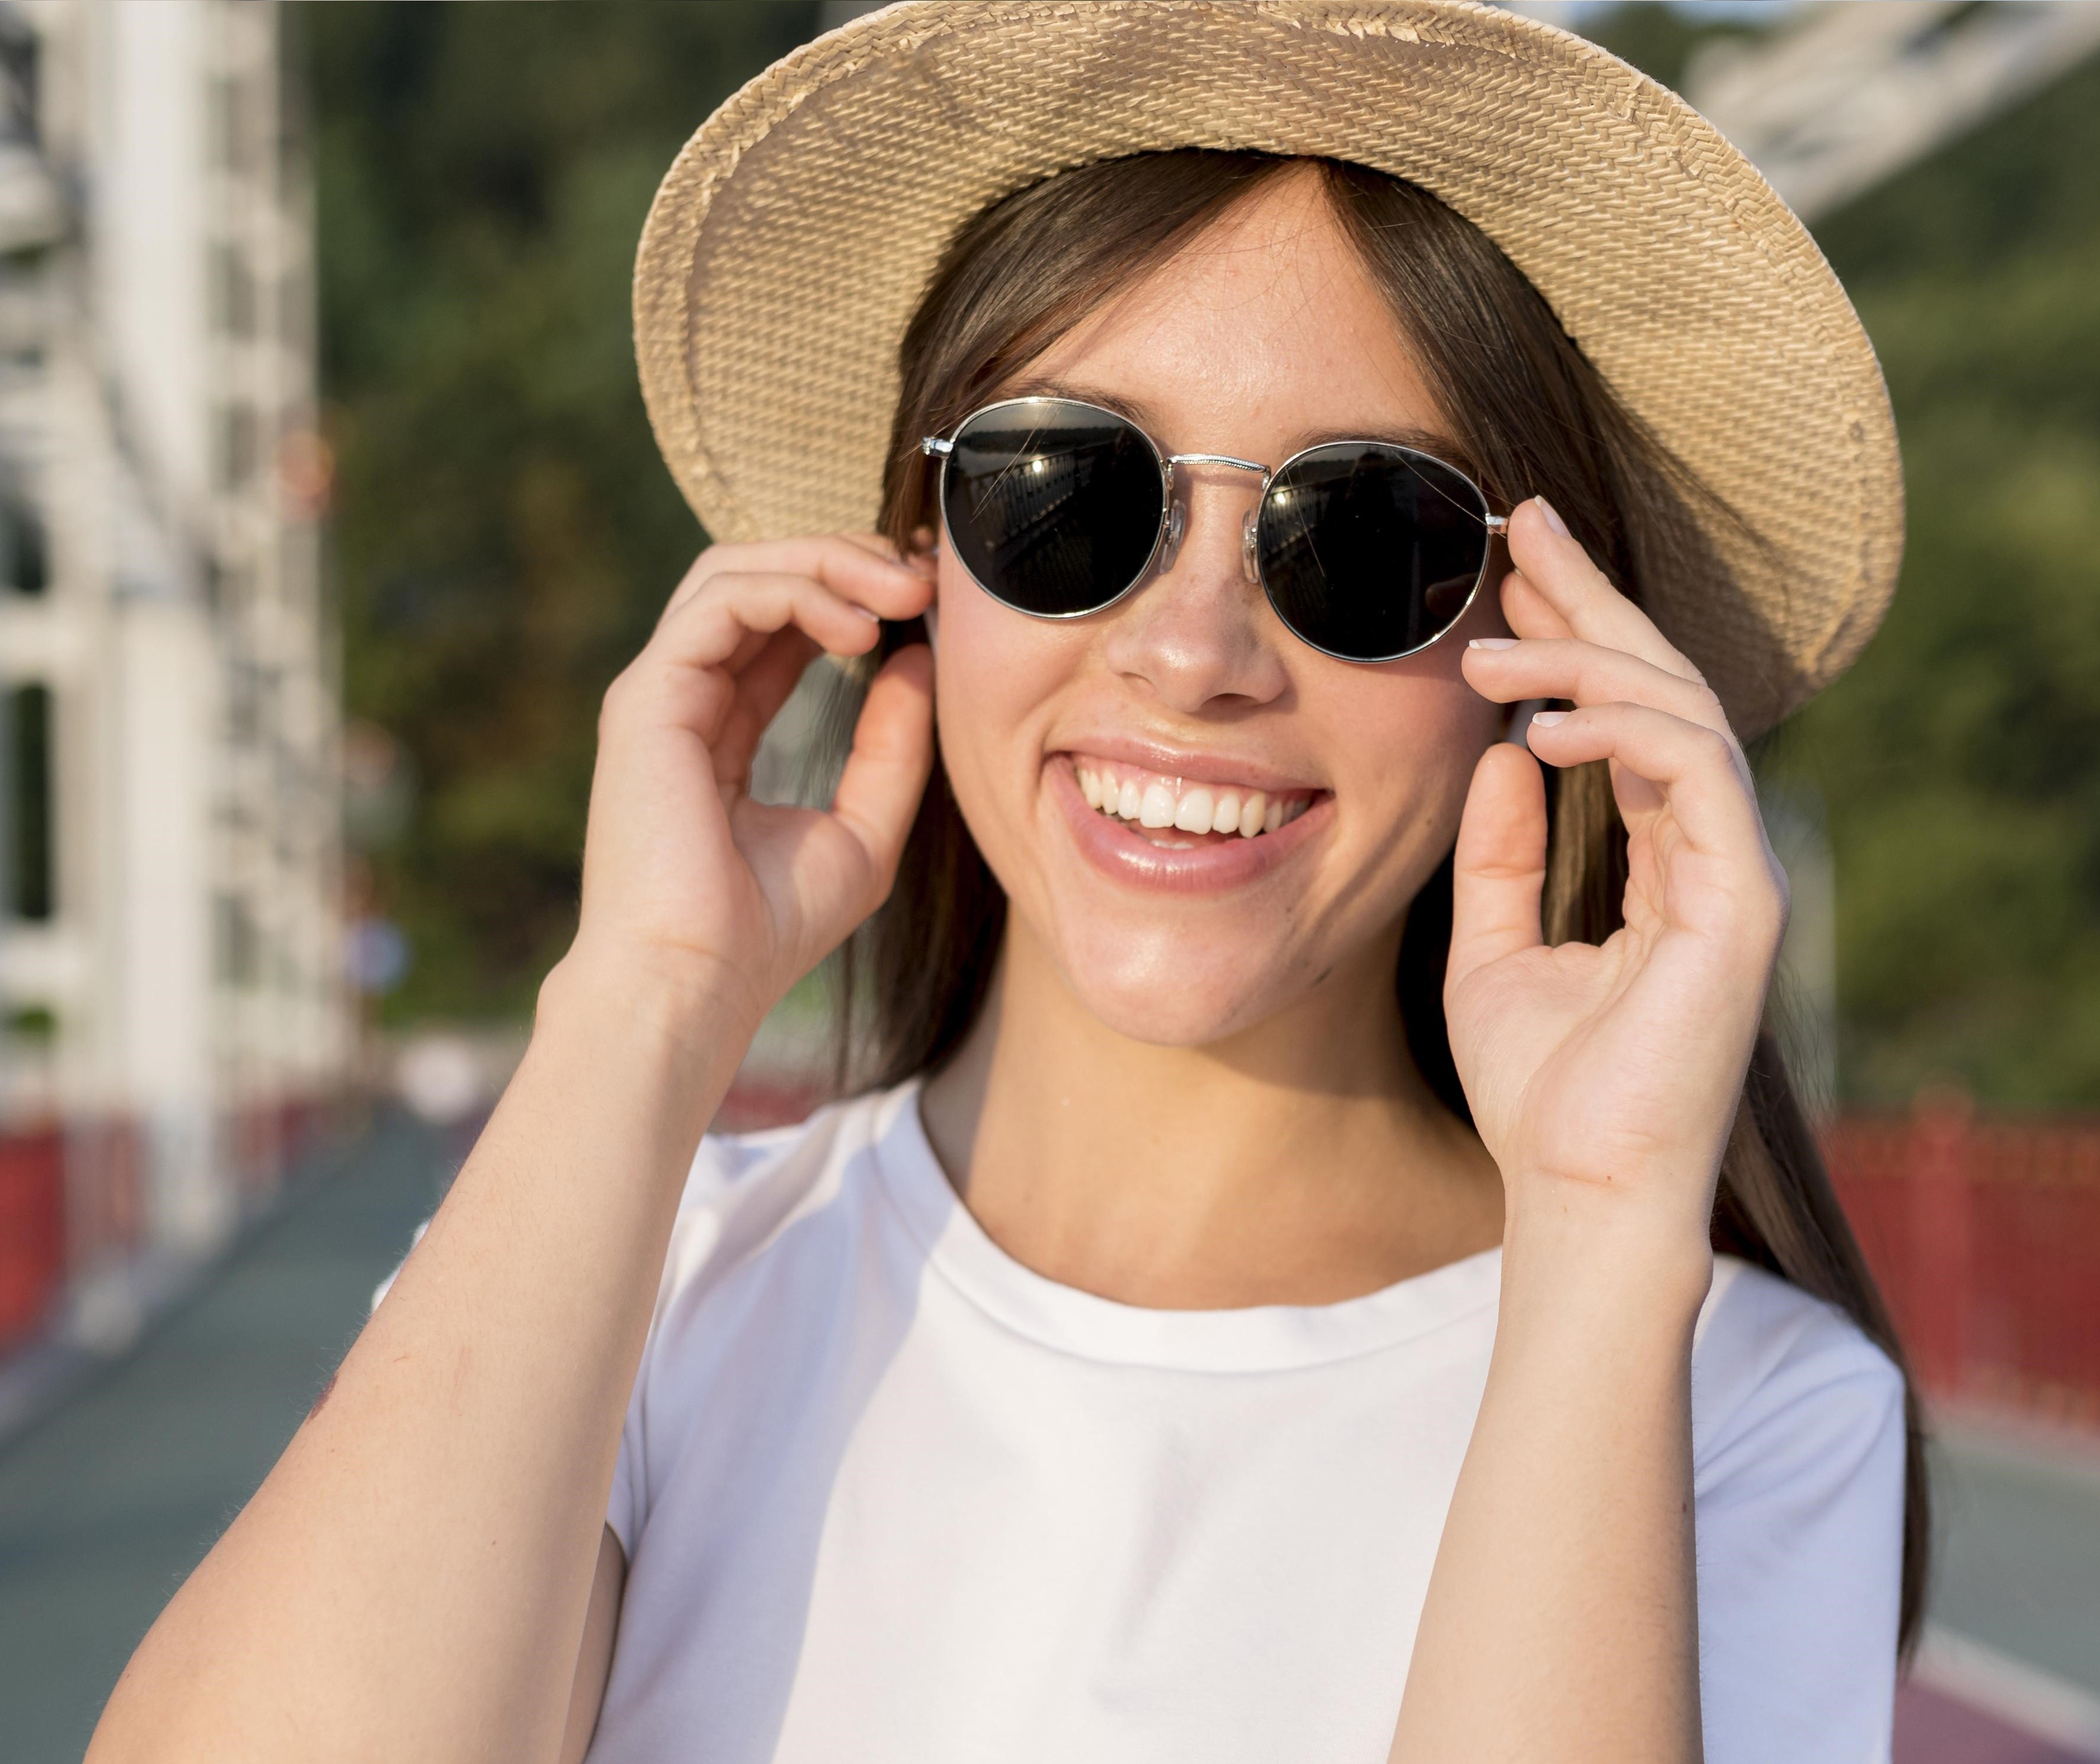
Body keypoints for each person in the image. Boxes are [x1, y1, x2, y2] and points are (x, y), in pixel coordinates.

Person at [88, 6, 1926, 1762]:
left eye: (1364, 538)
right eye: (1068, 495)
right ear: (916, 560)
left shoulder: (1723, 1410)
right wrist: (643, 995)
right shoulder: (625, 1281)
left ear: (1544, 654)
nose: (1195, 650)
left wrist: (1605, 1225)